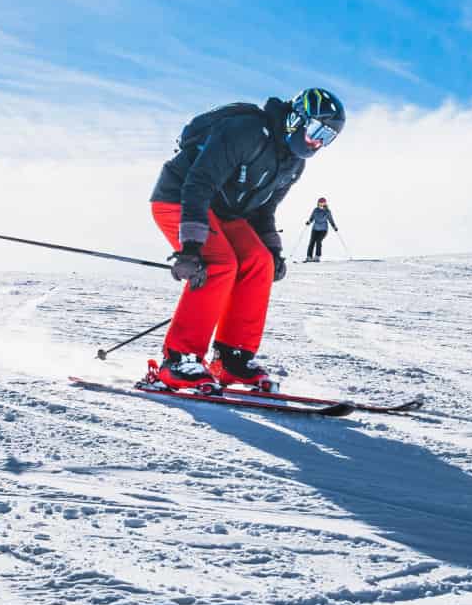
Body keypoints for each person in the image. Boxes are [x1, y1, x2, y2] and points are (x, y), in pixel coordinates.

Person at [146, 88, 346, 394]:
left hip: (225, 212)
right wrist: (191, 248)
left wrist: (274, 251)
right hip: (181, 198)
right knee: (220, 264)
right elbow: (199, 183)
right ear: (297, 119)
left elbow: (263, 209)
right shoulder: (246, 130)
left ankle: (232, 358)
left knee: (259, 263)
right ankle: (178, 361)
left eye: (328, 137)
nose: (319, 142)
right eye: (317, 130)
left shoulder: (293, 162)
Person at [302, 198, 338, 262]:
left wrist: (334, 226)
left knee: (318, 241)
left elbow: (330, 220)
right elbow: (312, 218)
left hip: (323, 230)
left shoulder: (327, 211)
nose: (321, 204)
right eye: (320, 203)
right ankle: (309, 257)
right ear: (318, 203)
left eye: (323, 203)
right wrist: (309, 222)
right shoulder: (315, 210)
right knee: (312, 241)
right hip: (315, 229)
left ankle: (317, 256)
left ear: (325, 203)